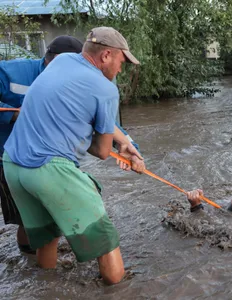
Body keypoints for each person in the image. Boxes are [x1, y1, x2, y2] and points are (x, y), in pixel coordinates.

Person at [2, 26, 144, 285]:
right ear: (106, 56)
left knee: (48, 238)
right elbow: (101, 151)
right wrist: (118, 148)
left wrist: (124, 143)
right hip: (48, 169)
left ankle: (49, 288)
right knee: (105, 240)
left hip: (12, 165)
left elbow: (74, 113)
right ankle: (120, 288)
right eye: (122, 61)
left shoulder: (62, 61)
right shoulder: (106, 89)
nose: (122, 69)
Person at [0, 35, 83, 254]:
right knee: (25, 216)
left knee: (53, 210)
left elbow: (102, 120)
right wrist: (14, 116)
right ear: (52, 61)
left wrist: (127, 144)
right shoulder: (12, 72)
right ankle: (28, 260)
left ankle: (42, 262)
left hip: (50, 157)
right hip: (10, 156)